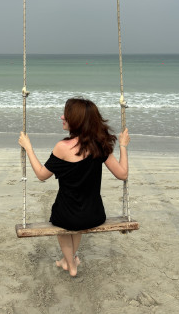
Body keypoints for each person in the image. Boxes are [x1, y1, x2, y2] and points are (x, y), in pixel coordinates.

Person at [18, 97, 130, 277]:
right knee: (77, 224)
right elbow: (122, 174)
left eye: (66, 115)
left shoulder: (63, 147)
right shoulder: (100, 145)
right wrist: (123, 146)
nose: (62, 117)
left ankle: (71, 266)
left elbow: (41, 175)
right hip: (94, 215)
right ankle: (67, 260)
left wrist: (29, 148)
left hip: (66, 216)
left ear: (77, 120)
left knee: (63, 225)